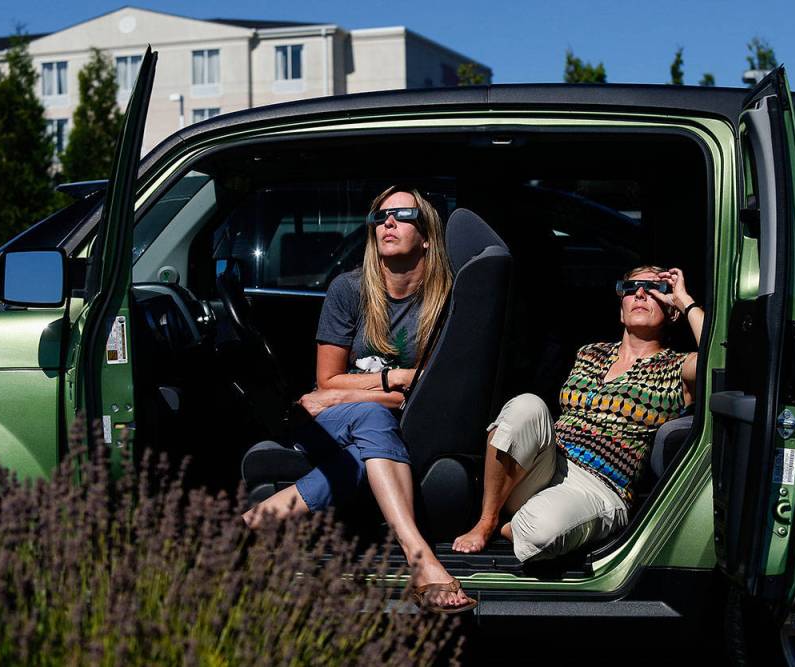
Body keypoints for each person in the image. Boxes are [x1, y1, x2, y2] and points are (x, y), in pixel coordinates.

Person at [242, 185, 476, 613]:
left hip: (370, 423)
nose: (388, 222)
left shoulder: (447, 300)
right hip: (328, 425)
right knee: (369, 417)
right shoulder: (348, 290)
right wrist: (398, 378)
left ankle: (251, 525)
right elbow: (326, 380)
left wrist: (336, 396)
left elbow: (433, 394)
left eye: (403, 215)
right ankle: (420, 560)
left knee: (357, 451)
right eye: (380, 216)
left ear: (426, 234)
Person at [452, 266, 704, 562]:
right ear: (622, 312)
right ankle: (487, 521)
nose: (640, 293)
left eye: (654, 289)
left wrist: (685, 301)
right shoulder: (590, 353)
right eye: (632, 287)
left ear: (672, 311)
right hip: (548, 462)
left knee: (540, 533)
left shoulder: (678, 366)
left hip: (600, 486)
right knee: (525, 406)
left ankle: (519, 524)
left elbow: (722, 362)